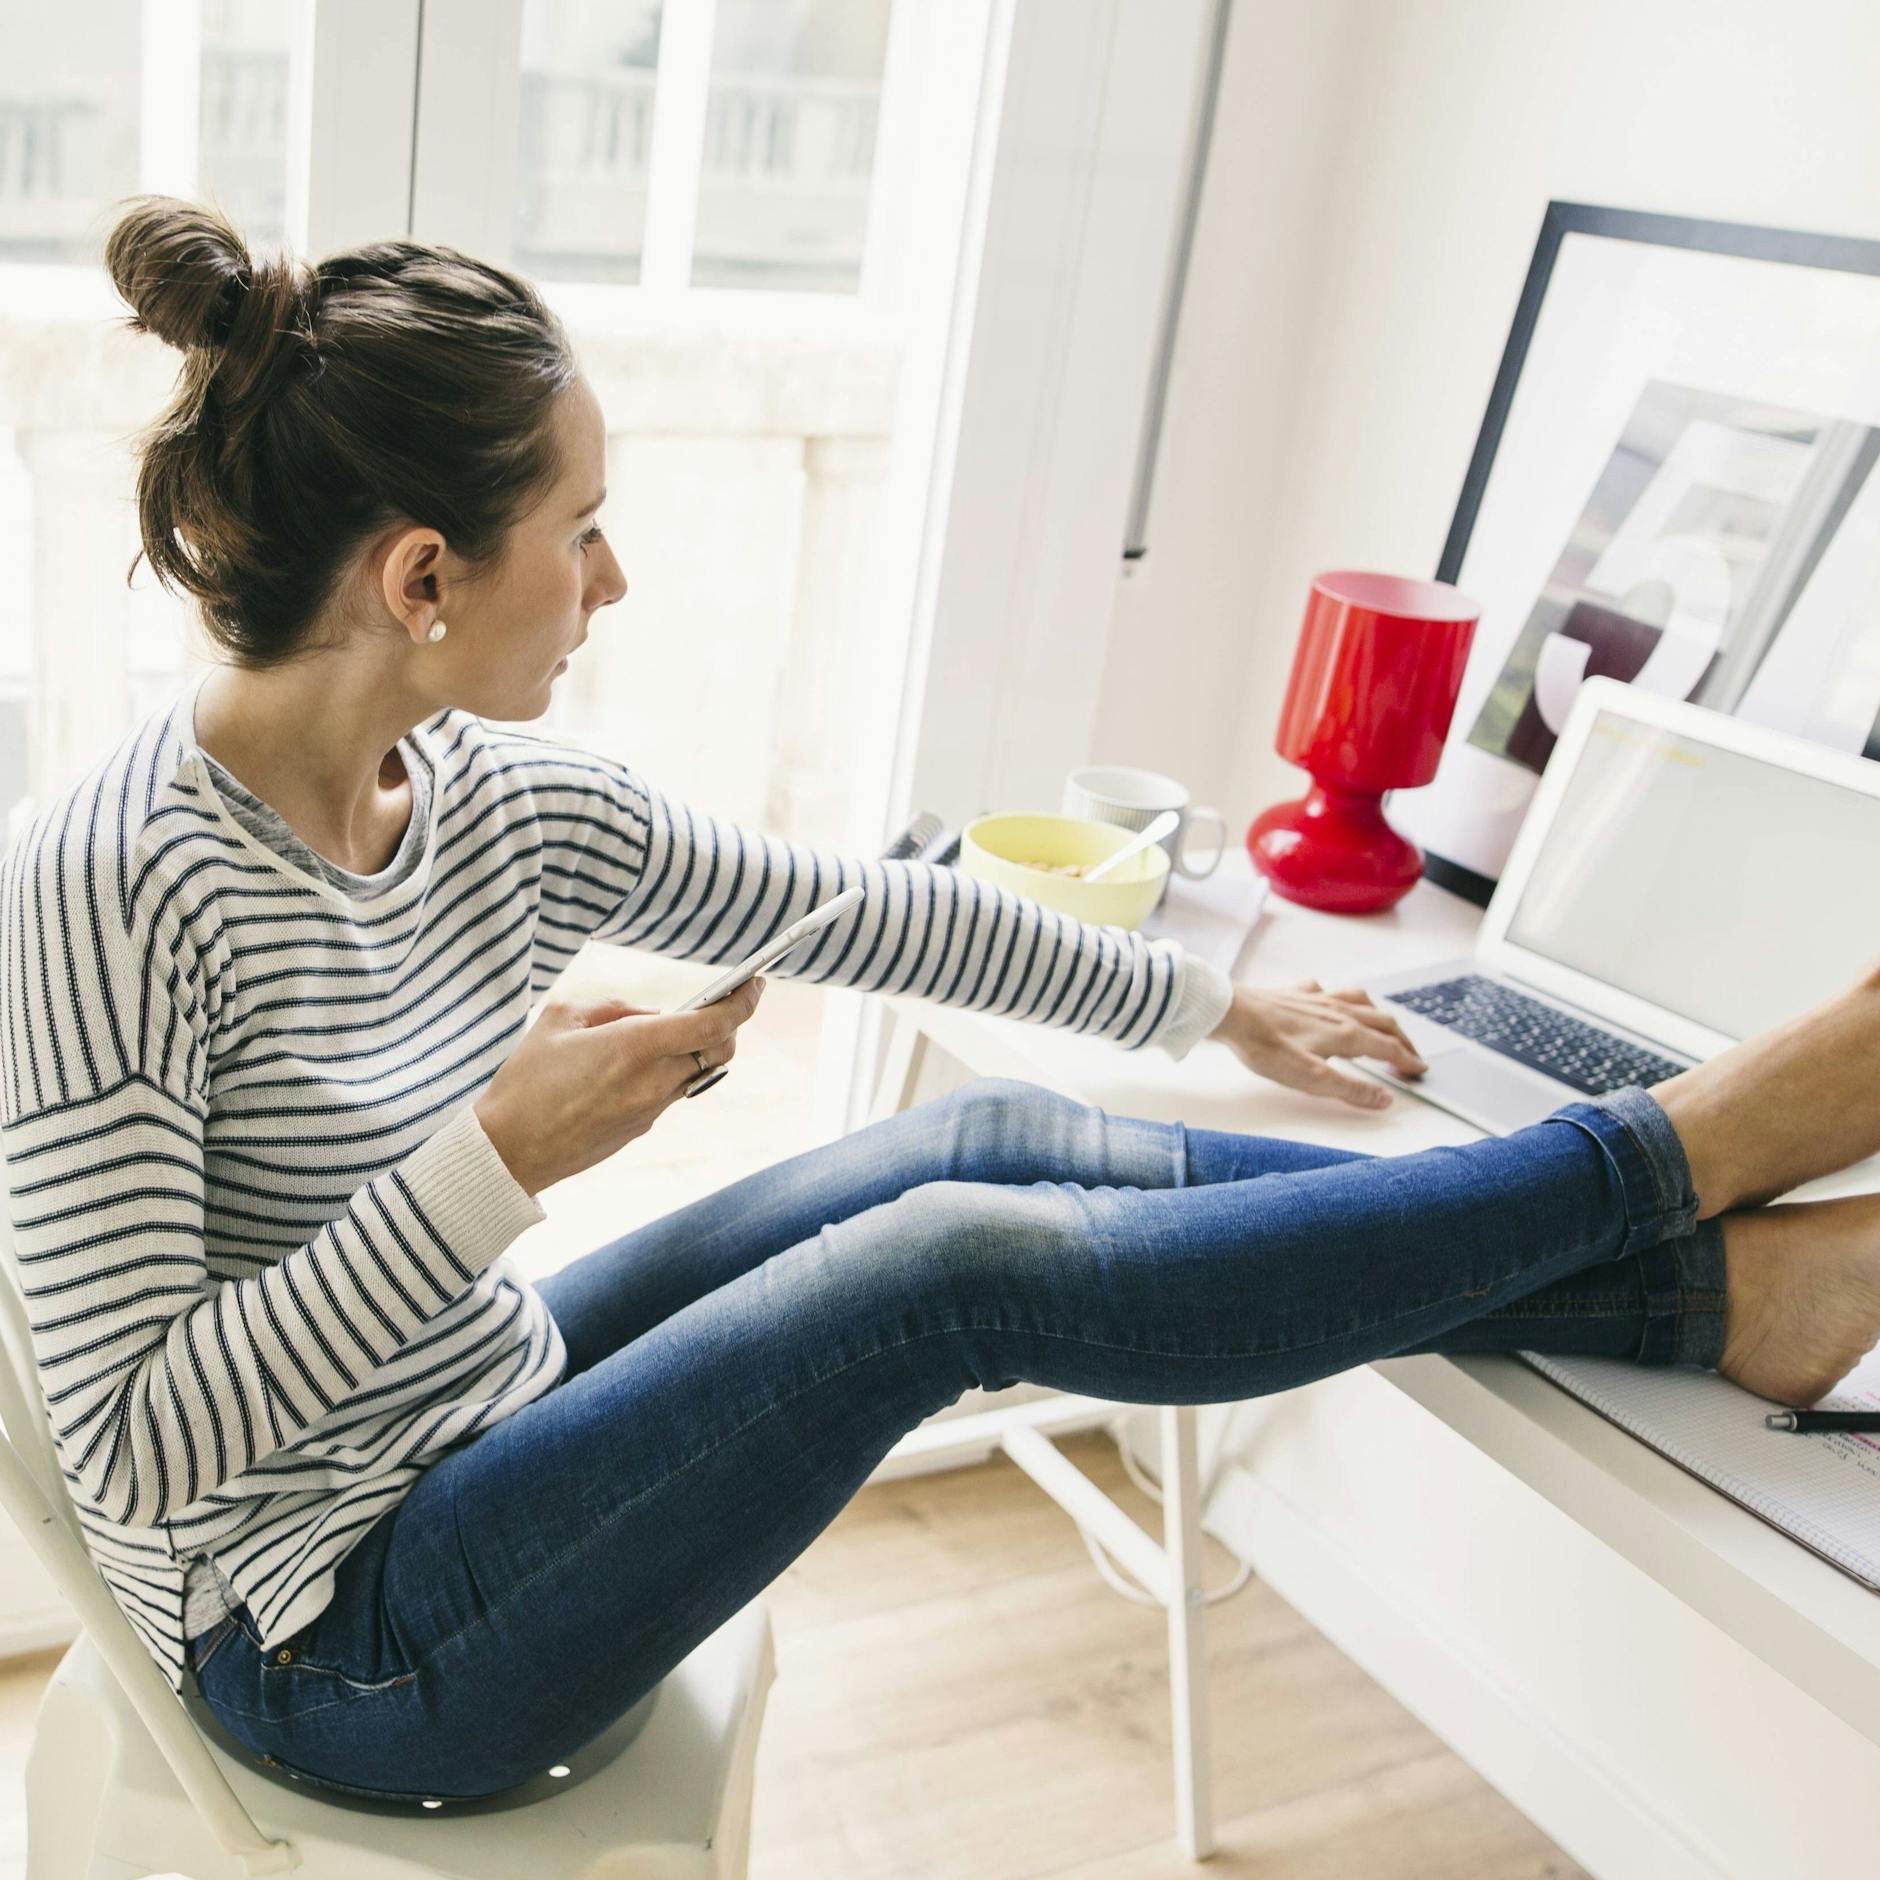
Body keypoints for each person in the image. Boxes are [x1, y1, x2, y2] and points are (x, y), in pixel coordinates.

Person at [3, 195, 1877, 1808]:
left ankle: (1725, 1295)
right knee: (951, 1268)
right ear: (423, 577)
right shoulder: (109, 892)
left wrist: (1209, 1002)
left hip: (469, 1409)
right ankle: (1671, 1154)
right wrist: (494, 1160)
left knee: (977, 1137)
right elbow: (138, 1453)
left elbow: (868, 914)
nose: (613, 578)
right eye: (580, 530)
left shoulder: (492, 800)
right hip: (331, 1637)